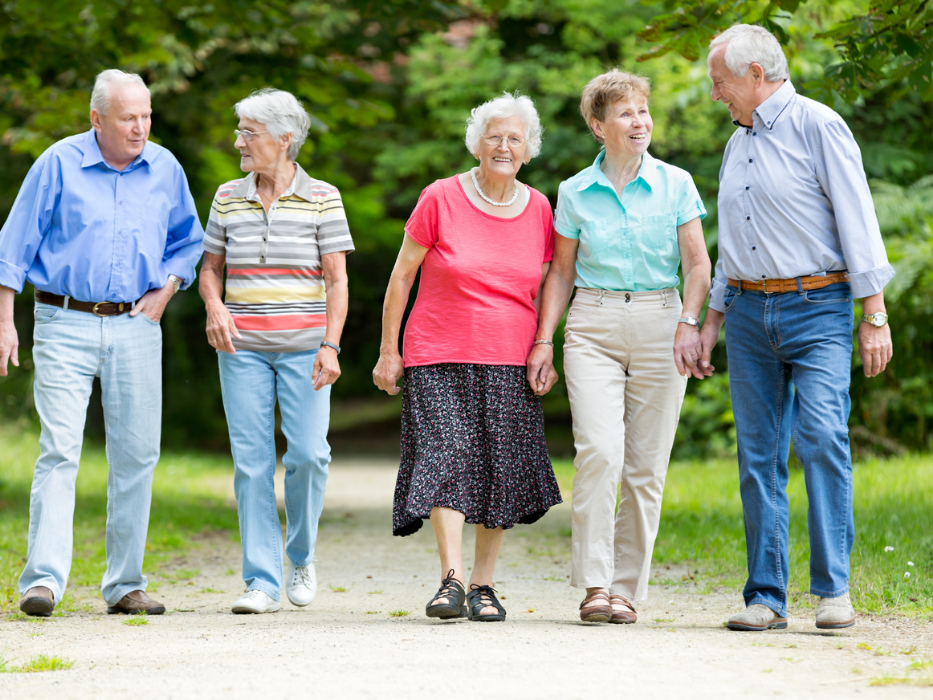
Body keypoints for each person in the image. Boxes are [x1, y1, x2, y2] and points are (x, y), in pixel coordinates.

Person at [700, 24, 895, 631]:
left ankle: (833, 592)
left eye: (720, 82)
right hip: (751, 315)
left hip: (819, 307)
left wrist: (875, 314)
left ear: (755, 75)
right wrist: (712, 319)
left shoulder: (818, 124)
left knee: (821, 438)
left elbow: (857, 219)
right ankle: (765, 597)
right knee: (757, 455)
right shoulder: (739, 142)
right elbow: (732, 245)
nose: (716, 95)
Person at [0, 69, 204, 616]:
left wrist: (167, 291)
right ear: (97, 119)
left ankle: (124, 584)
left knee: (137, 455)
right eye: (128, 118)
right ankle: (42, 582)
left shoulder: (165, 168)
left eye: (146, 116)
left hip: (136, 323)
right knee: (60, 450)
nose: (140, 128)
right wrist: (4, 320)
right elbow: (13, 245)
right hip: (63, 319)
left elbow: (190, 240)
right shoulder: (57, 164)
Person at [526, 70, 711, 624]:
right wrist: (543, 340)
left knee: (647, 465)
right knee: (600, 452)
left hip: (662, 319)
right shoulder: (575, 191)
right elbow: (560, 273)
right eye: (626, 113)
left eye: (644, 111)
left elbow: (699, 264)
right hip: (593, 323)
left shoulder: (676, 183)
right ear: (597, 125)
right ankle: (594, 585)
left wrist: (689, 321)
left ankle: (626, 588)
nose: (640, 122)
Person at [372, 92, 562, 622]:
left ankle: (484, 585)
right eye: (494, 136)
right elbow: (401, 276)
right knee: (449, 457)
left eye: (515, 138)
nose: (504, 146)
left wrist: (545, 342)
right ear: (477, 143)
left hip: (509, 356)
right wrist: (390, 351)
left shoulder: (541, 208)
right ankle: (451, 580)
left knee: (499, 468)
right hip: (437, 353)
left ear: (529, 149)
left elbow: (548, 283)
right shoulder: (440, 197)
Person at [200, 88, 353, 615]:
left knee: (309, 455)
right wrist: (215, 308)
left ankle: (301, 556)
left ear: (284, 139)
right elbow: (210, 270)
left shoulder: (323, 197)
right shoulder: (226, 196)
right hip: (241, 347)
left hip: (304, 348)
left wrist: (331, 344)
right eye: (239, 129)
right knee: (251, 463)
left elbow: (337, 281)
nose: (238, 140)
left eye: (249, 131)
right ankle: (261, 581)